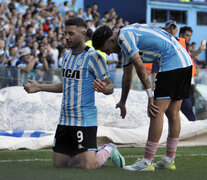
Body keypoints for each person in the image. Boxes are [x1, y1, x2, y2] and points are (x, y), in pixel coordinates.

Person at [23, 18, 125, 169]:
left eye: (70, 33)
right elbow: (65, 85)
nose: (66, 37)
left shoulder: (94, 57)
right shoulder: (66, 56)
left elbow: (110, 85)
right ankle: (85, 154)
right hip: (65, 119)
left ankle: (108, 149)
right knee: (59, 165)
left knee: (89, 166)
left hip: (84, 119)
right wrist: (39, 87)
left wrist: (105, 89)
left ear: (83, 34)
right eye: (65, 33)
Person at [92, 23, 192, 171]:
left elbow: (140, 66)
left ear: (112, 40)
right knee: (173, 114)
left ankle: (147, 161)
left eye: (107, 50)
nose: (109, 54)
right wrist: (123, 101)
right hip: (185, 62)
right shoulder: (126, 38)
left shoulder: (124, 37)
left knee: (155, 112)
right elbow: (127, 76)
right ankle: (169, 160)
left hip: (171, 63)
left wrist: (150, 97)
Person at [179, 26, 206, 121]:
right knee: (186, 107)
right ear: (181, 35)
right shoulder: (179, 45)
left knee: (191, 104)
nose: (189, 38)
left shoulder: (186, 47)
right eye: (187, 35)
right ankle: (192, 123)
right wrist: (199, 51)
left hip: (191, 81)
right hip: (183, 82)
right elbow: (188, 57)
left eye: (190, 36)